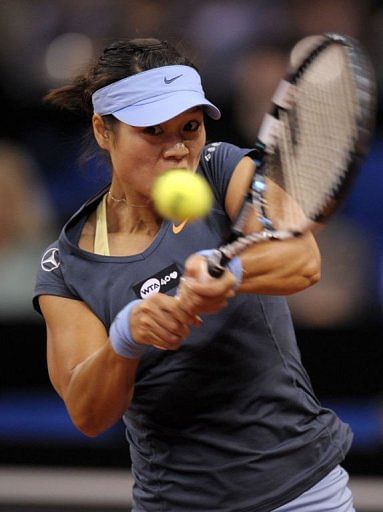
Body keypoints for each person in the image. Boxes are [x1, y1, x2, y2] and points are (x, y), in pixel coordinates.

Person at [33, 38, 355, 512]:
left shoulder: (223, 168)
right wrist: (127, 336)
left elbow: (302, 259)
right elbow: (88, 413)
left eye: (190, 127)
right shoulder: (66, 267)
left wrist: (233, 272)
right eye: (153, 131)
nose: (178, 149)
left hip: (303, 495)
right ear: (103, 131)